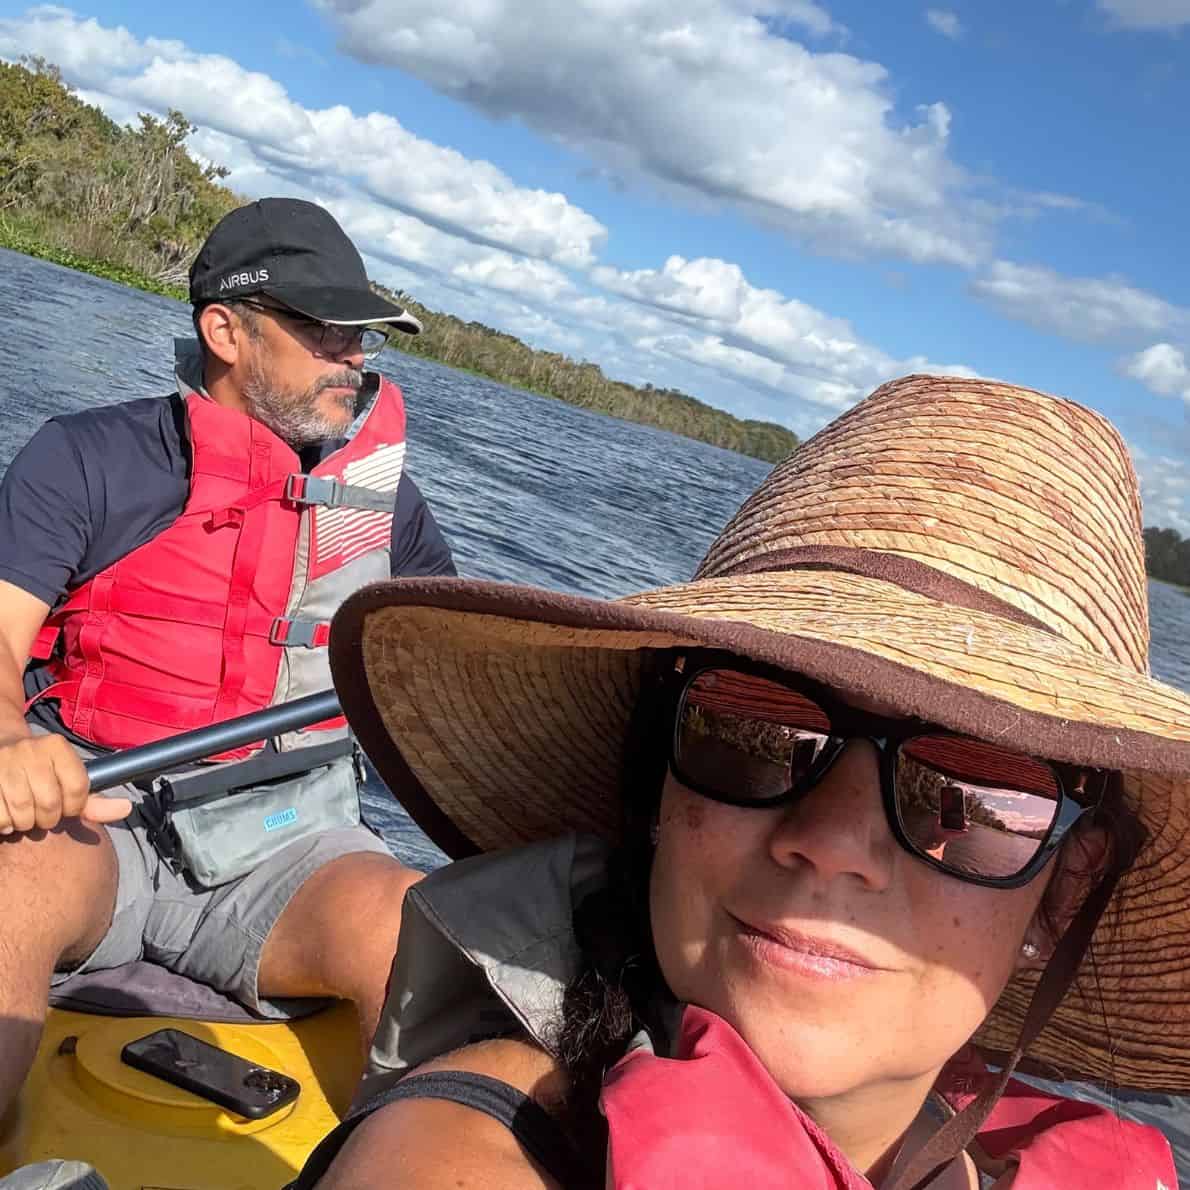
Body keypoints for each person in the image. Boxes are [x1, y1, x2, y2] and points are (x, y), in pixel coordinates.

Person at [294, 375, 1188, 1188]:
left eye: (972, 797)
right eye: (757, 734)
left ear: (1064, 890)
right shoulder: (464, 1158)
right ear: (658, 791)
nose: (832, 842)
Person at [0, 197, 456, 1115]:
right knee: (14, 882)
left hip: (285, 845)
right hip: (99, 820)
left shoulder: (386, 512)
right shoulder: (90, 457)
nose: (354, 357)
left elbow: (446, 685)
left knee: (422, 935)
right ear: (225, 330)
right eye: (326, 330)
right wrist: (8, 740)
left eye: (362, 336)